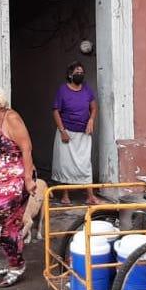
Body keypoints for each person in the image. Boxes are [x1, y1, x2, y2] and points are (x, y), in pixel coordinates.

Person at [0, 85, 36, 287]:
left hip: (15, 182)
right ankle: (14, 263)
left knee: (0, 223)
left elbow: (26, 148)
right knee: (6, 226)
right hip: (2, 184)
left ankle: (17, 265)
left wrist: (28, 179)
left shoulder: (12, 119)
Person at [51, 62, 99, 205]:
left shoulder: (87, 90)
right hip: (67, 133)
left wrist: (91, 120)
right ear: (70, 74)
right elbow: (56, 111)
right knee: (66, 165)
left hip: (84, 133)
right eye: (77, 72)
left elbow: (94, 107)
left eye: (82, 72)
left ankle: (90, 195)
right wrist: (62, 130)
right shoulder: (62, 91)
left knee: (85, 164)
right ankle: (66, 195)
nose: (80, 74)